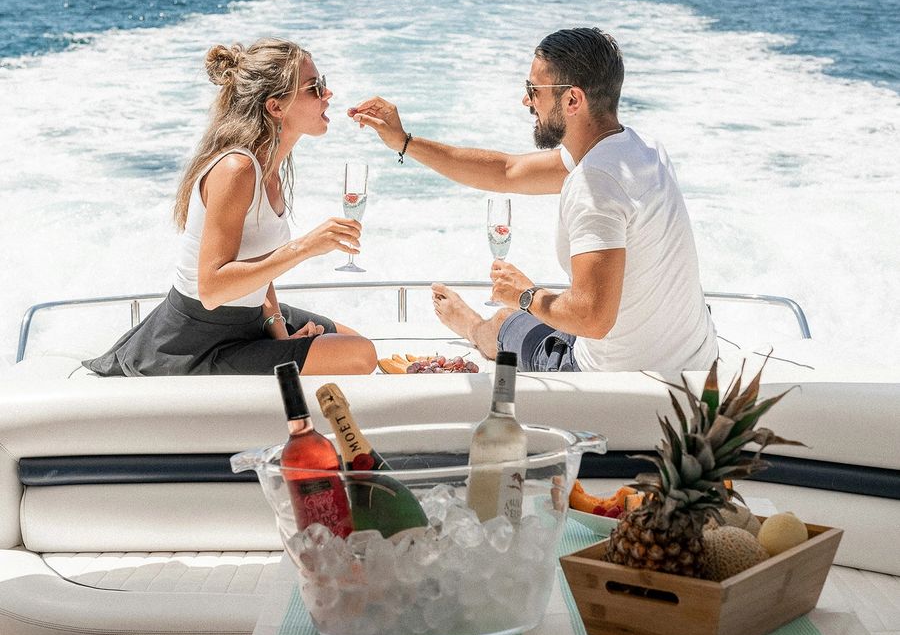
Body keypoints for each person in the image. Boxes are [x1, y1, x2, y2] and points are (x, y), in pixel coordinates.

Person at [350, 27, 717, 376]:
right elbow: (507, 171)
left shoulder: (594, 184)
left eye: (533, 89)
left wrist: (524, 295)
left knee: (505, 321)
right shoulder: (640, 150)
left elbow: (593, 319)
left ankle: (473, 327)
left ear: (572, 99)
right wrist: (404, 141)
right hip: (697, 364)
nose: (526, 100)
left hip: (612, 377)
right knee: (547, 307)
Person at [84, 38, 377, 377]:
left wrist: (279, 334)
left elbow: (258, 260)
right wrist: (305, 248)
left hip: (249, 321)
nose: (328, 94)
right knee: (360, 355)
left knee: (353, 341)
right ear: (275, 107)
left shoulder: (271, 171)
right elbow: (212, 289)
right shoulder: (236, 169)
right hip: (199, 343)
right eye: (315, 88)